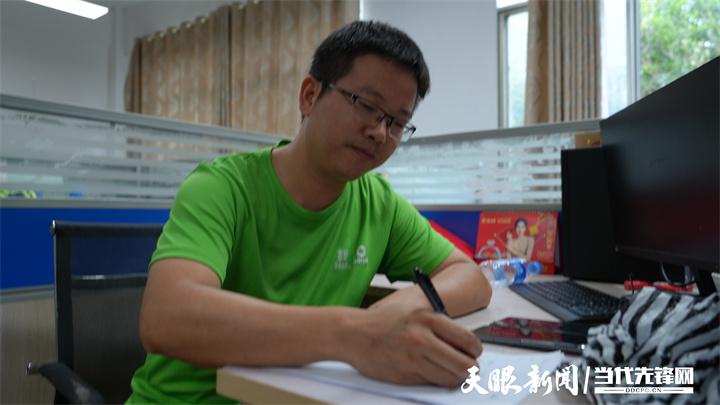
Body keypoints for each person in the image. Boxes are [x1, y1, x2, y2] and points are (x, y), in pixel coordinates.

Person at [127, 20, 492, 404]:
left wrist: (401, 309)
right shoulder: (223, 187)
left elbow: (470, 277)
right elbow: (166, 317)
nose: (380, 133)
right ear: (309, 95)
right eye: (367, 105)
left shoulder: (378, 204)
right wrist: (355, 333)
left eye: (397, 122)